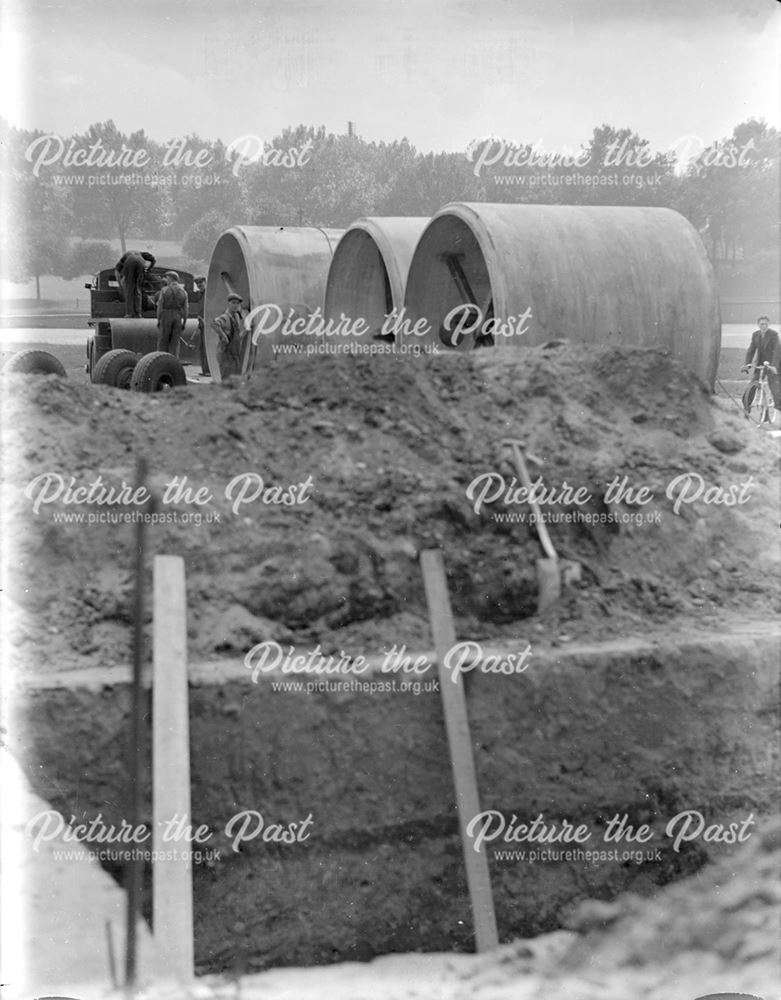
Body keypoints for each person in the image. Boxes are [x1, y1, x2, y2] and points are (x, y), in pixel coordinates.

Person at [742, 315, 780, 409]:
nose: (764, 326)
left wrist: (774, 366)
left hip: (773, 365)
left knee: (776, 391)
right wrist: (747, 364)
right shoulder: (755, 335)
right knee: (752, 386)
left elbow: (777, 351)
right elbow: (751, 350)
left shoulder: (774, 335)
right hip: (761, 364)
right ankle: (747, 407)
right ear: (758, 324)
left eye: (766, 324)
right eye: (762, 324)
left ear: (769, 324)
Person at [211, 292, 247, 378]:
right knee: (226, 380)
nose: (235, 305)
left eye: (237, 303)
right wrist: (224, 337)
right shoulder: (225, 317)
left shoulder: (236, 317)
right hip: (226, 355)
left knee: (235, 380)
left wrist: (247, 330)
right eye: (233, 303)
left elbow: (237, 338)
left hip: (235, 355)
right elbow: (214, 324)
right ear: (228, 304)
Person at [156, 271, 189, 355]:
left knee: (163, 341)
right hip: (178, 316)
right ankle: (174, 361)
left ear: (170, 278)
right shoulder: (184, 292)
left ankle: (162, 360)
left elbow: (160, 306)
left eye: (167, 278)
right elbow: (186, 309)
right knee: (175, 342)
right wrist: (184, 322)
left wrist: (158, 320)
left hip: (166, 315)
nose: (166, 280)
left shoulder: (164, 290)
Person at [115, 250, 155, 318]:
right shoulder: (141, 254)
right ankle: (138, 313)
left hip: (130, 261)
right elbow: (153, 260)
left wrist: (120, 284)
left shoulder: (125, 257)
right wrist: (149, 269)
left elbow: (116, 272)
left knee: (129, 289)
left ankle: (129, 313)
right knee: (138, 288)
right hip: (141, 262)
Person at [191, 276, 210, 375]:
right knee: (202, 348)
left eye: (200, 283)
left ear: (205, 282)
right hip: (202, 324)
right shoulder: (200, 294)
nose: (199, 286)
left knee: (207, 347)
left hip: (208, 324)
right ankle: (205, 370)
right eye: (197, 284)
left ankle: (209, 370)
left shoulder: (209, 294)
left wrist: (205, 319)